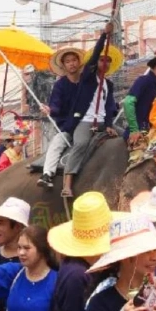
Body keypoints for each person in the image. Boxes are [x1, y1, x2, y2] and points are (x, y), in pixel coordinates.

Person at [58, 28, 121, 198]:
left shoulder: (109, 84)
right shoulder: (87, 77)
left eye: (108, 61)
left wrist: (108, 125)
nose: (105, 63)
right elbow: (93, 58)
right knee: (80, 144)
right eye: (102, 60)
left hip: (102, 122)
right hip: (86, 121)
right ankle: (68, 184)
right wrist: (104, 36)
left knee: (127, 137)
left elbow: (109, 108)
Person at [37, 46, 85, 188]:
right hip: (68, 125)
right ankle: (47, 174)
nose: (72, 63)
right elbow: (55, 106)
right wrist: (49, 109)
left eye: (74, 60)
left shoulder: (87, 82)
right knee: (57, 143)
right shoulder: (60, 85)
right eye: (68, 61)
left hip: (89, 122)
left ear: (79, 62)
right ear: (64, 66)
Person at [124, 51, 156, 148]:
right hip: (139, 134)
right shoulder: (144, 80)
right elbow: (128, 102)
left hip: (152, 133)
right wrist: (134, 130)